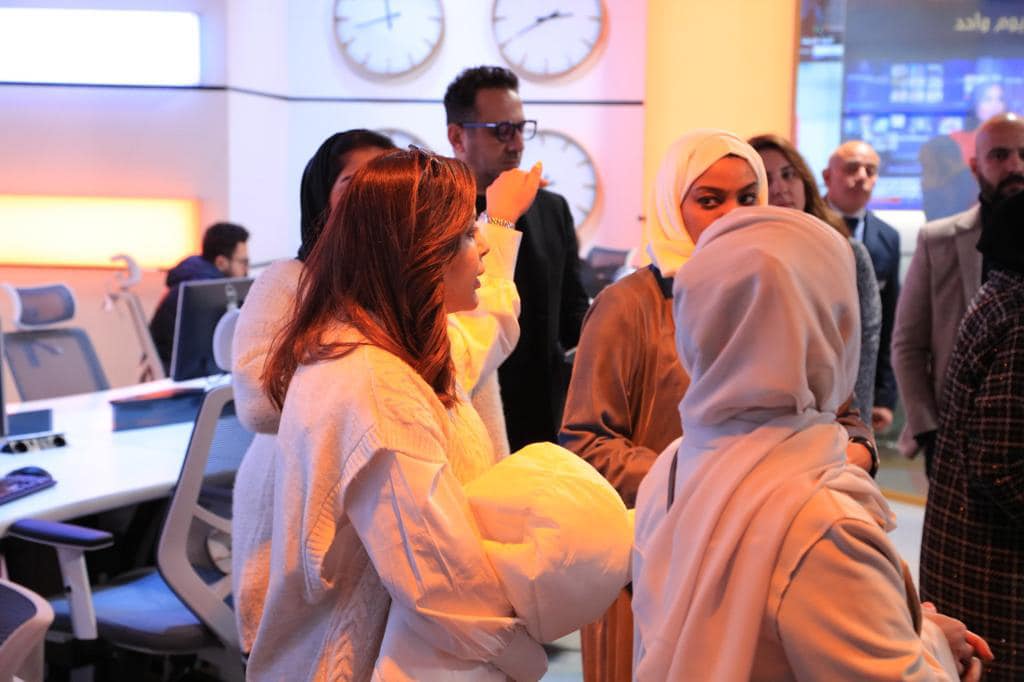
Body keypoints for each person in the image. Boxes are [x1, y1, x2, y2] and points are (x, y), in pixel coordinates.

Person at [559, 129, 877, 682]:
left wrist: (837, 463)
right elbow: (587, 443)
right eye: (710, 200)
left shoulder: (779, 291)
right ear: (672, 206)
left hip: (779, 556)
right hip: (653, 563)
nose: (733, 215)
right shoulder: (629, 306)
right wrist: (711, 484)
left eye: (748, 198)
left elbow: (845, 416)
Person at [632, 204, 988, 681]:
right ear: (834, 329)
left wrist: (905, 627)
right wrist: (935, 646)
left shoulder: (674, 466)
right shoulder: (826, 526)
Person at [231, 130, 541, 657]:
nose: (482, 244)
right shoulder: (372, 377)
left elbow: (475, 340)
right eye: (358, 184)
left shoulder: (399, 351)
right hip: (361, 602)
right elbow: (440, 585)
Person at [445, 65, 590, 451]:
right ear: (457, 136)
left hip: (544, 414)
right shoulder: (437, 213)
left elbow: (573, 313)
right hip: (471, 405)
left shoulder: (551, 208)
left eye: (521, 128)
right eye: (502, 130)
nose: (517, 144)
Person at [920, 189, 1024, 681]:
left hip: (972, 564)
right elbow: (1002, 465)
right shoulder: (1020, 314)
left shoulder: (1001, 293)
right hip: (996, 580)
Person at [893, 113, 1024, 470]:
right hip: (955, 443)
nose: (1015, 166)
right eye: (1000, 155)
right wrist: (928, 431)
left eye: (1023, 154)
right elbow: (908, 345)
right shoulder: (939, 240)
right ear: (975, 166)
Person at [750, 133, 882, 421]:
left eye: (788, 175)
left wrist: (858, 426)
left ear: (805, 180)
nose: (780, 188)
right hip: (761, 419)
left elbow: (865, 344)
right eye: (767, 179)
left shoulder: (847, 251)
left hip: (836, 417)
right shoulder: (742, 258)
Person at [824, 139, 900, 431]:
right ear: (827, 176)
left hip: (861, 380)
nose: (862, 177)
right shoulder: (805, 223)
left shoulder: (887, 238)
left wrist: (885, 395)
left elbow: (888, 321)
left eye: (870, 171)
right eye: (852, 168)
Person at [149, 221, 249, 371]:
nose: (246, 270)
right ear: (221, 262)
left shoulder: (197, 282)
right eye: (243, 262)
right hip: (181, 376)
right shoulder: (206, 293)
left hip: (190, 373)